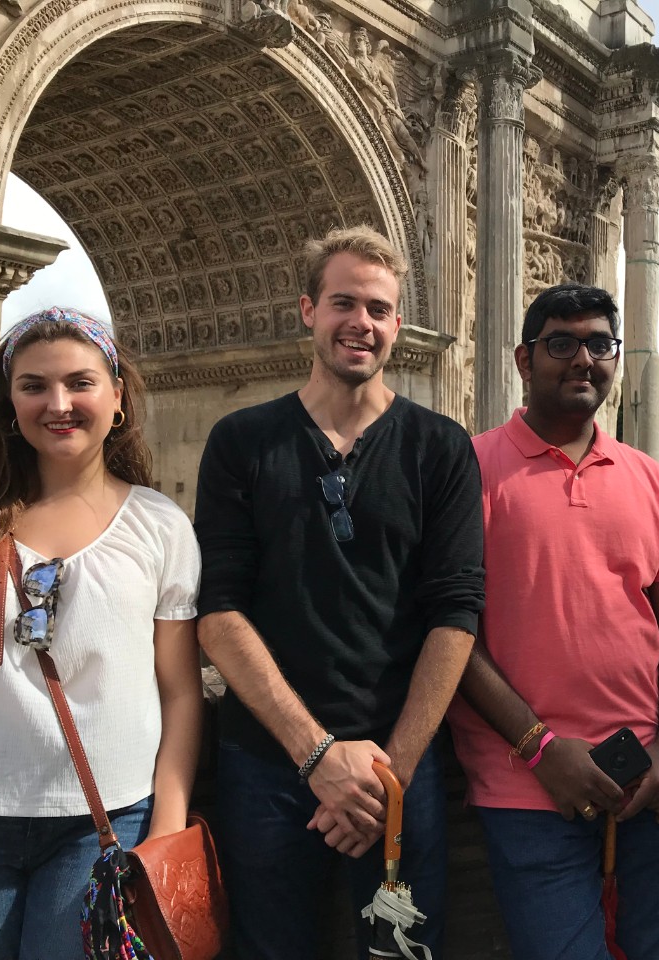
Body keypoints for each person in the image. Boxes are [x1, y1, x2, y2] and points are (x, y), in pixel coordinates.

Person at [0, 307, 203, 960]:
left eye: (80, 383)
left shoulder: (160, 526)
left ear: (117, 400)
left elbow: (181, 693)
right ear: (8, 405)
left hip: (102, 827)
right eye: (33, 386)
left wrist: (165, 832)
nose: (58, 403)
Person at [194, 225, 484, 959]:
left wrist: (387, 774)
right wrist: (317, 757)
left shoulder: (442, 447)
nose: (363, 323)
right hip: (267, 763)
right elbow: (218, 612)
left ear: (397, 326)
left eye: (381, 309)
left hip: (399, 765)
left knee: (400, 954)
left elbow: (455, 614)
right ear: (307, 311)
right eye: (344, 302)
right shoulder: (241, 440)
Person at [448, 282, 659, 960]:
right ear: (523, 360)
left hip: (647, 778)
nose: (583, 359)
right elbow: (451, 636)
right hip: (527, 784)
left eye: (600, 344)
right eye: (561, 344)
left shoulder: (648, 477)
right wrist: (538, 746)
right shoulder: (468, 468)